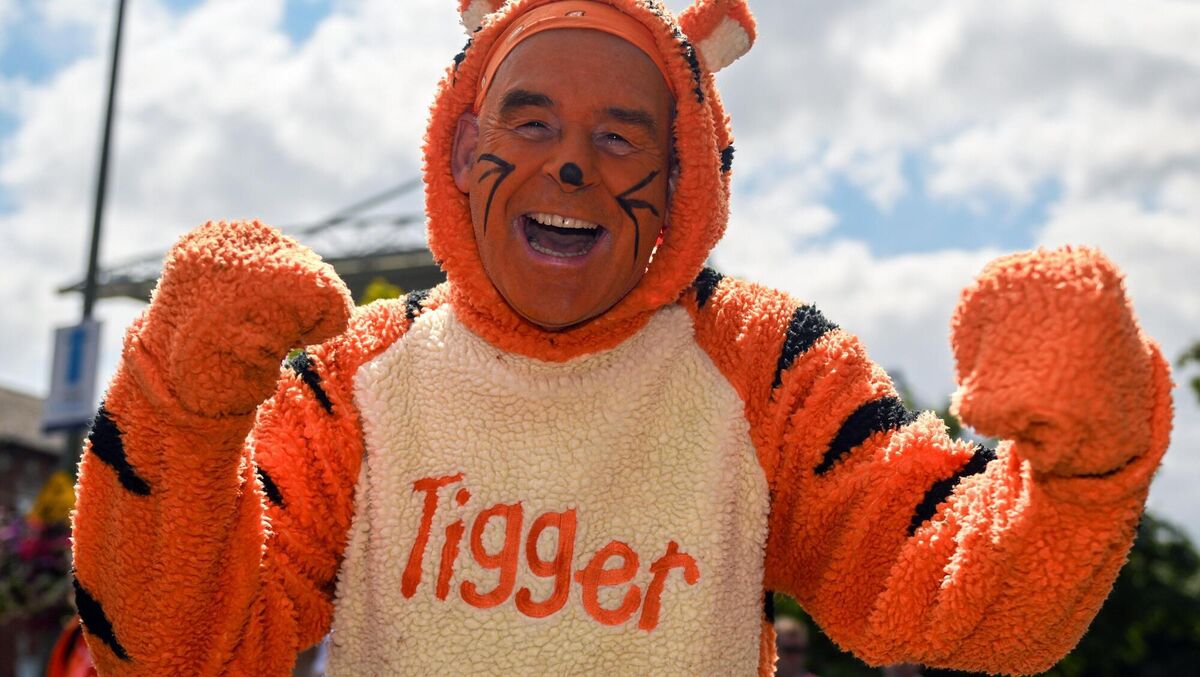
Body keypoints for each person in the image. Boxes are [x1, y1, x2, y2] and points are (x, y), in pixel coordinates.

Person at [70, 0, 1173, 675]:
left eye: (619, 136)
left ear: (687, 177)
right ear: (459, 150)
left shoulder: (767, 364)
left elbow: (947, 594)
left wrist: (1078, 472)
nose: (569, 165)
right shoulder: (359, 377)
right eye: (533, 122)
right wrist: (179, 404)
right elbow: (182, 648)